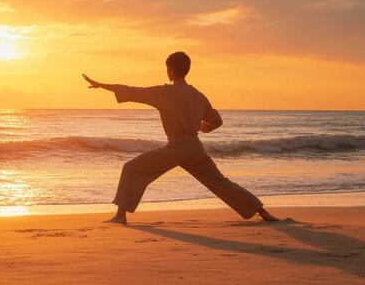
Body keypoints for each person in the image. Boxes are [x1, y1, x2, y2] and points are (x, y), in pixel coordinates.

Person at [82, 51, 280, 224]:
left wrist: (100, 85)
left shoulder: (164, 92)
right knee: (222, 183)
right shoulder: (197, 95)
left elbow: (132, 91)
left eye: (167, 68)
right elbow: (216, 120)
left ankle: (120, 216)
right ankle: (263, 212)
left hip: (175, 149)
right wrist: (205, 128)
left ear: (171, 70)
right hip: (195, 149)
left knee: (131, 168)